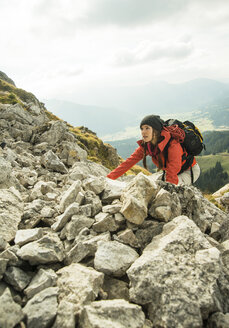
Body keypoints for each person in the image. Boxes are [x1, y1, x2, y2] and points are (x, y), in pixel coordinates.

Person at [107, 114, 200, 185]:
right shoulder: (148, 145)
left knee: (161, 189)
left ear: (156, 130)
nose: (143, 132)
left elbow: (172, 172)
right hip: (172, 173)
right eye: (142, 128)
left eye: (147, 128)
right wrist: (108, 179)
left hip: (189, 171)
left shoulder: (173, 144)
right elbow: (128, 163)